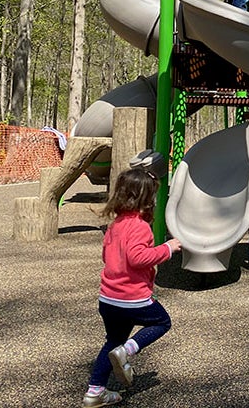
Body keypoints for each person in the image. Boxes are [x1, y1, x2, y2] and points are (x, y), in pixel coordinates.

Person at [82, 168, 182, 408]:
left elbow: (106, 255)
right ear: (146, 200)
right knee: (161, 323)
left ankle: (94, 393)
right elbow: (138, 257)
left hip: (108, 299)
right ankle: (128, 350)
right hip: (132, 299)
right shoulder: (139, 227)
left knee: (111, 342)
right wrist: (167, 249)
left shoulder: (115, 225)